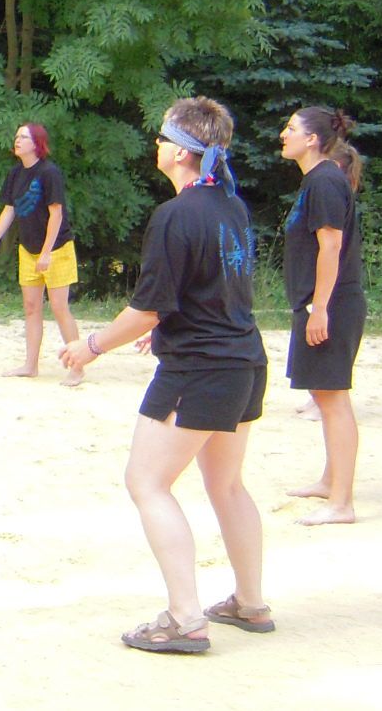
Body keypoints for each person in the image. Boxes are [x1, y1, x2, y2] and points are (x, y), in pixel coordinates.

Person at [59, 97, 272, 654]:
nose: (155, 145)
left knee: (147, 482)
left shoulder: (175, 214)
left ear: (181, 152)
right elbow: (210, 290)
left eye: (162, 138)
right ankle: (250, 603)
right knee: (227, 484)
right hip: (244, 361)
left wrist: (90, 346)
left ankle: (185, 619)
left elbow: (148, 308)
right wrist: (166, 326)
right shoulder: (230, 205)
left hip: (200, 368)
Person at [279, 106, 366, 526]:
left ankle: (341, 504)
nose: (284, 134)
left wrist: (320, 308)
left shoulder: (326, 181)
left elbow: (331, 247)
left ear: (312, 139)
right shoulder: (317, 179)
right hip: (322, 304)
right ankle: (331, 481)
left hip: (333, 305)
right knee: (323, 394)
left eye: (291, 128)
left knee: (333, 399)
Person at [0, 123, 84, 385]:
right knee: (31, 307)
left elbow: (56, 214)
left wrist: (46, 252)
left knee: (59, 307)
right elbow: (9, 209)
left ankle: (77, 366)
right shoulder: (15, 173)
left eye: (23, 137)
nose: (17, 140)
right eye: (16, 136)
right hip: (28, 248)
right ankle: (30, 365)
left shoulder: (49, 173)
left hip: (56, 248)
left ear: (36, 143)